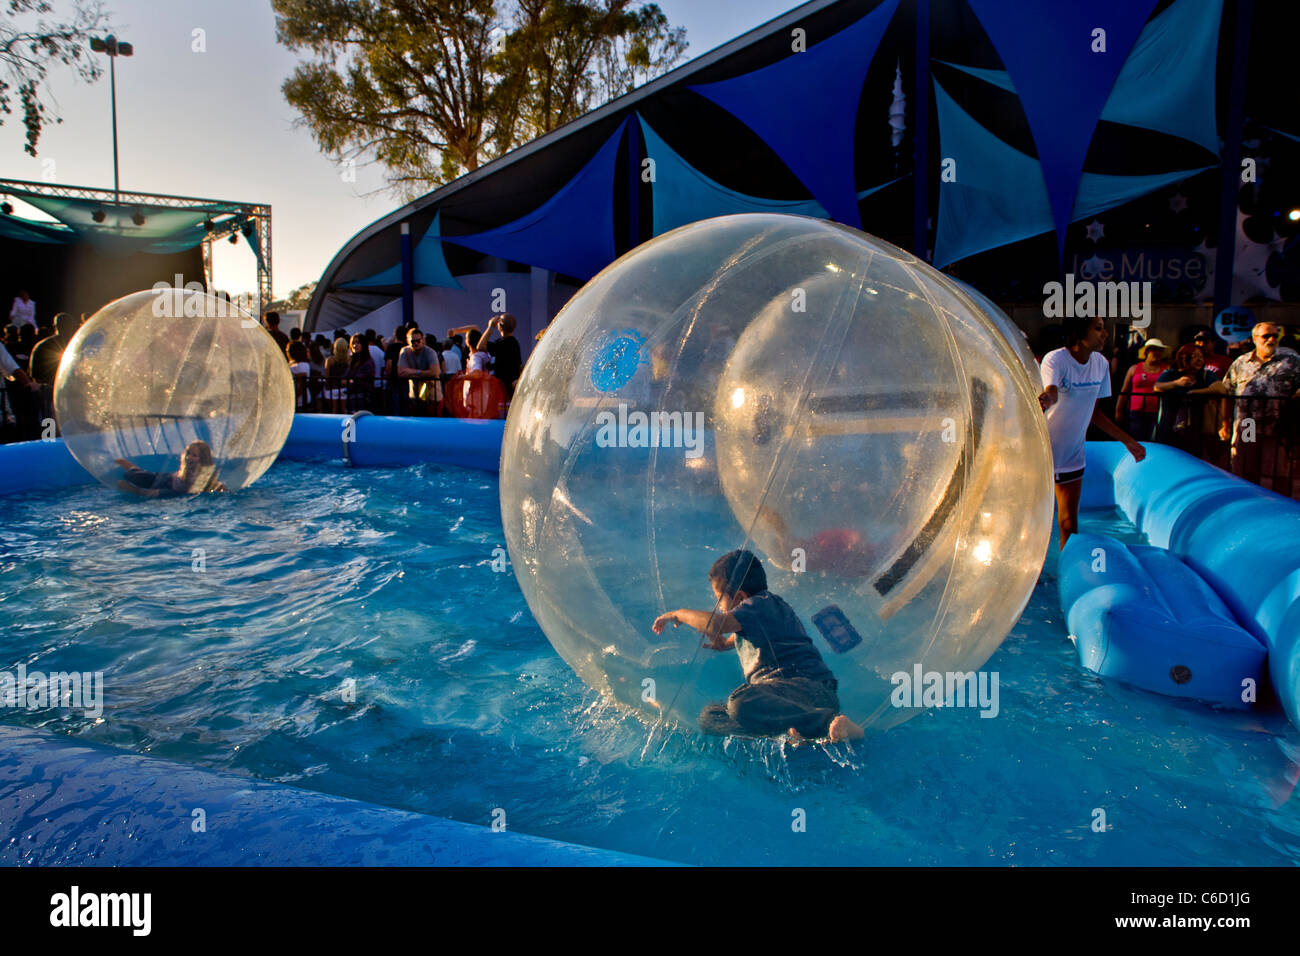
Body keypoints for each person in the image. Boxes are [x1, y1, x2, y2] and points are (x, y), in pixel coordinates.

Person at [651, 549, 864, 742]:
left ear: (741, 597)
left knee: (741, 701)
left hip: (810, 691)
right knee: (711, 716)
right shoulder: (761, 611)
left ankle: (829, 724)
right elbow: (737, 637)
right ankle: (790, 734)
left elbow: (716, 623)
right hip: (784, 700)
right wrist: (722, 643)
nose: (719, 607)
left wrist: (677, 614)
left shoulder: (760, 605)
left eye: (719, 599)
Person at [1038, 316, 1146, 549]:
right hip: (1040, 454)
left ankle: (1064, 574)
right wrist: (1047, 398)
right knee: (1036, 523)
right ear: (1079, 333)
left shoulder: (1100, 364)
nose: (1104, 334)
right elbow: (1052, 391)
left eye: (1103, 329)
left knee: (1068, 523)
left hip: (1072, 455)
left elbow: (1095, 414)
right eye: (1098, 329)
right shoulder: (1056, 359)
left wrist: (1128, 442)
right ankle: (1030, 576)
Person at [1208, 321, 1300, 496]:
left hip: (1278, 426)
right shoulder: (1241, 362)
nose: (1271, 339)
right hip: (1248, 423)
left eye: (1275, 335)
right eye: (1266, 336)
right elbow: (1228, 391)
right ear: (1255, 339)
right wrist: (1225, 423)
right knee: (1245, 465)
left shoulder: (1291, 361)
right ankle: (1245, 500)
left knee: (1276, 470)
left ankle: (1277, 505)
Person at [1152, 344, 1219, 448]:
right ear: (1184, 357)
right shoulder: (1171, 374)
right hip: (1169, 427)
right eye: (1195, 356)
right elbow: (1157, 387)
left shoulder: (1207, 375)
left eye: (1201, 357)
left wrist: (1196, 392)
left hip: (1196, 429)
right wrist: (1176, 383)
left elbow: (1220, 389)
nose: (1199, 360)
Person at [115, 441, 227, 497]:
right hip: (168, 479)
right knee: (134, 475)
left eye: (194, 455)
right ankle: (130, 467)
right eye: (188, 454)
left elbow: (214, 483)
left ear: (203, 458)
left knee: (150, 493)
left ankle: (131, 489)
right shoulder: (188, 465)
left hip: (175, 492)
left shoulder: (205, 471)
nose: (189, 457)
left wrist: (223, 490)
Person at [1118, 338, 1168, 442]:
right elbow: (1125, 391)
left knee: (1154, 442)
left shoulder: (1167, 370)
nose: (1157, 352)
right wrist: (1118, 411)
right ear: (1146, 352)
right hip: (1136, 413)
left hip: (1157, 413)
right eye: (1153, 349)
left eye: (1160, 350)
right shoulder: (1134, 369)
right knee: (1136, 441)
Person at [397, 328, 442, 416]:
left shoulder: (430, 352)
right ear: (408, 341)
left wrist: (413, 372)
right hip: (415, 397)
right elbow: (400, 372)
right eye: (413, 341)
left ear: (423, 340)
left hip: (433, 398)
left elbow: (435, 372)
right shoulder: (405, 352)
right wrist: (425, 373)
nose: (416, 343)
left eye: (418, 340)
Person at [488, 313, 523, 398]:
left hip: (504, 387)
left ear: (500, 326)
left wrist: (490, 327)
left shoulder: (502, 344)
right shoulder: (514, 343)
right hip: (509, 386)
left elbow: (480, 346)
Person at [347, 333, 376, 410]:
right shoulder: (351, 360)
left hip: (363, 397)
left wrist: (353, 380)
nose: (355, 345)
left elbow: (368, 377)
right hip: (352, 396)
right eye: (353, 343)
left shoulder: (368, 361)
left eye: (358, 343)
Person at [323, 338, 350, 413]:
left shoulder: (330, 360)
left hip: (332, 388)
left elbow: (327, 375)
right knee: (344, 410)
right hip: (344, 388)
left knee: (334, 410)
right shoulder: (349, 359)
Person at [287, 341, 311, 410]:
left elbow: (301, 385)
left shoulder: (300, 366)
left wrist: (294, 397)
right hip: (303, 398)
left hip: (299, 400)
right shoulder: (304, 364)